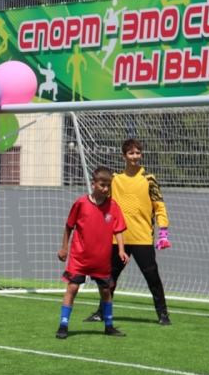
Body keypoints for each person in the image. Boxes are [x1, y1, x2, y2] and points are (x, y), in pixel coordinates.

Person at [85, 137, 172, 326]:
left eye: (138, 153)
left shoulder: (149, 179)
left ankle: (163, 314)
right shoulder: (115, 179)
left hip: (142, 238)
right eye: (131, 153)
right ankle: (101, 312)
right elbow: (102, 203)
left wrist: (163, 230)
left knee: (152, 277)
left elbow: (159, 206)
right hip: (118, 239)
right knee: (109, 279)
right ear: (123, 156)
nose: (135, 156)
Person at [57, 166, 129, 339]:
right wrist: (64, 247)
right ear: (93, 184)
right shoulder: (81, 203)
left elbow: (118, 230)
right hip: (79, 258)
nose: (105, 189)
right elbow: (69, 226)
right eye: (102, 185)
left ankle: (109, 326)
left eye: (108, 185)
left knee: (105, 291)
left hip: (101, 260)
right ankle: (63, 325)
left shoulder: (113, 206)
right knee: (72, 288)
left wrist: (121, 250)